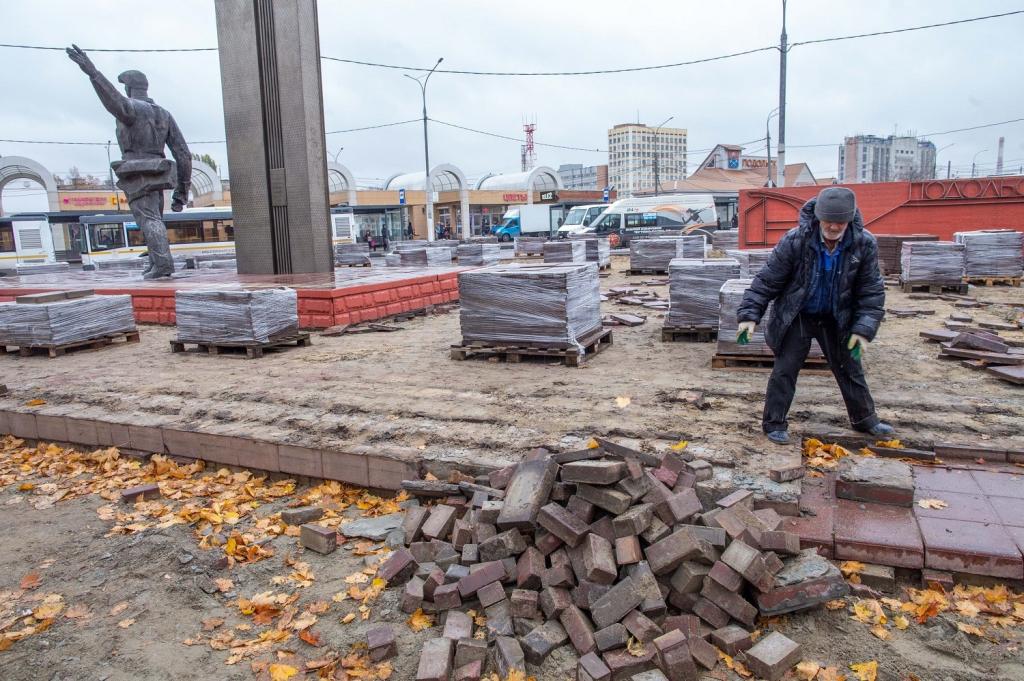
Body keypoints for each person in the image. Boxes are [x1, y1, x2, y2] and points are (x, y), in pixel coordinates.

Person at [736, 186, 893, 445]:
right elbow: (766, 282)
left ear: (849, 219)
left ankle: (865, 419)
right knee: (785, 368)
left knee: (850, 368)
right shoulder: (795, 240)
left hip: (836, 316)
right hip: (798, 313)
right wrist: (749, 316)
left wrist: (864, 329)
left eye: (840, 222)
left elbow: (871, 292)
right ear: (818, 217)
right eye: (828, 221)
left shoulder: (863, 244)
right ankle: (774, 423)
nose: (833, 227)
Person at [66, 45, 190, 279]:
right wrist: (182, 191)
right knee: (154, 217)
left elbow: (116, 103)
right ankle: (156, 263)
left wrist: (93, 73)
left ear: (128, 88)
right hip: (158, 171)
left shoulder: (133, 109)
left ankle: (162, 265)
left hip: (138, 171)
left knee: (148, 219)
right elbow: (183, 154)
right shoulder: (164, 114)